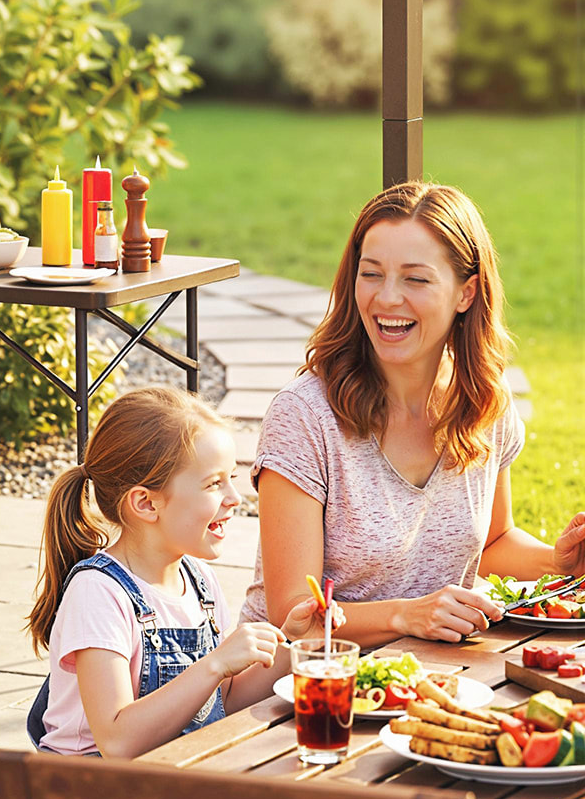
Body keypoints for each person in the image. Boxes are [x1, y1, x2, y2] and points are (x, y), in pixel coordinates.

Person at [247, 181, 585, 644]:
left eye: (416, 278)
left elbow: (493, 542)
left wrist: (557, 561)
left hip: (432, 674)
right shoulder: (304, 416)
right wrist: (405, 616)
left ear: (466, 294)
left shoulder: (484, 399)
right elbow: (294, 614)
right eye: (371, 274)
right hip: (297, 689)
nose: (386, 299)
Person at [27, 386, 324, 799]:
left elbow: (221, 700)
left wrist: (291, 648)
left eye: (232, 479)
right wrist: (214, 664)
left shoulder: (197, 582)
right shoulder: (99, 594)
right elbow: (119, 739)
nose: (235, 498)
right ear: (146, 503)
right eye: (214, 484)